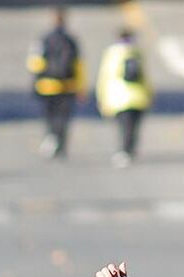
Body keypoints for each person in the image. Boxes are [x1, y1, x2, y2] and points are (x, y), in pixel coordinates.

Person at [28, 7, 86, 160]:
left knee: (49, 116)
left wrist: (35, 81)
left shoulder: (44, 39)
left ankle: (51, 138)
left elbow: (35, 62)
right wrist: (81, 87)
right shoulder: (71, 41)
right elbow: (78, 65)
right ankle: (61, 144)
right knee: (63, 118)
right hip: (68, 85)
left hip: (47, 85)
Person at [96, 29, 151, 167]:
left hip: (119, 97)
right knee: (133, 126)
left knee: (123, 126)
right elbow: (145, 77)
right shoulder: (137, 52)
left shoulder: (112, 54)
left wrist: (102, 98)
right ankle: (130, 149)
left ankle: (125, 151)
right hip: (138, 97)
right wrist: (149, 95)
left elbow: (105, 77)